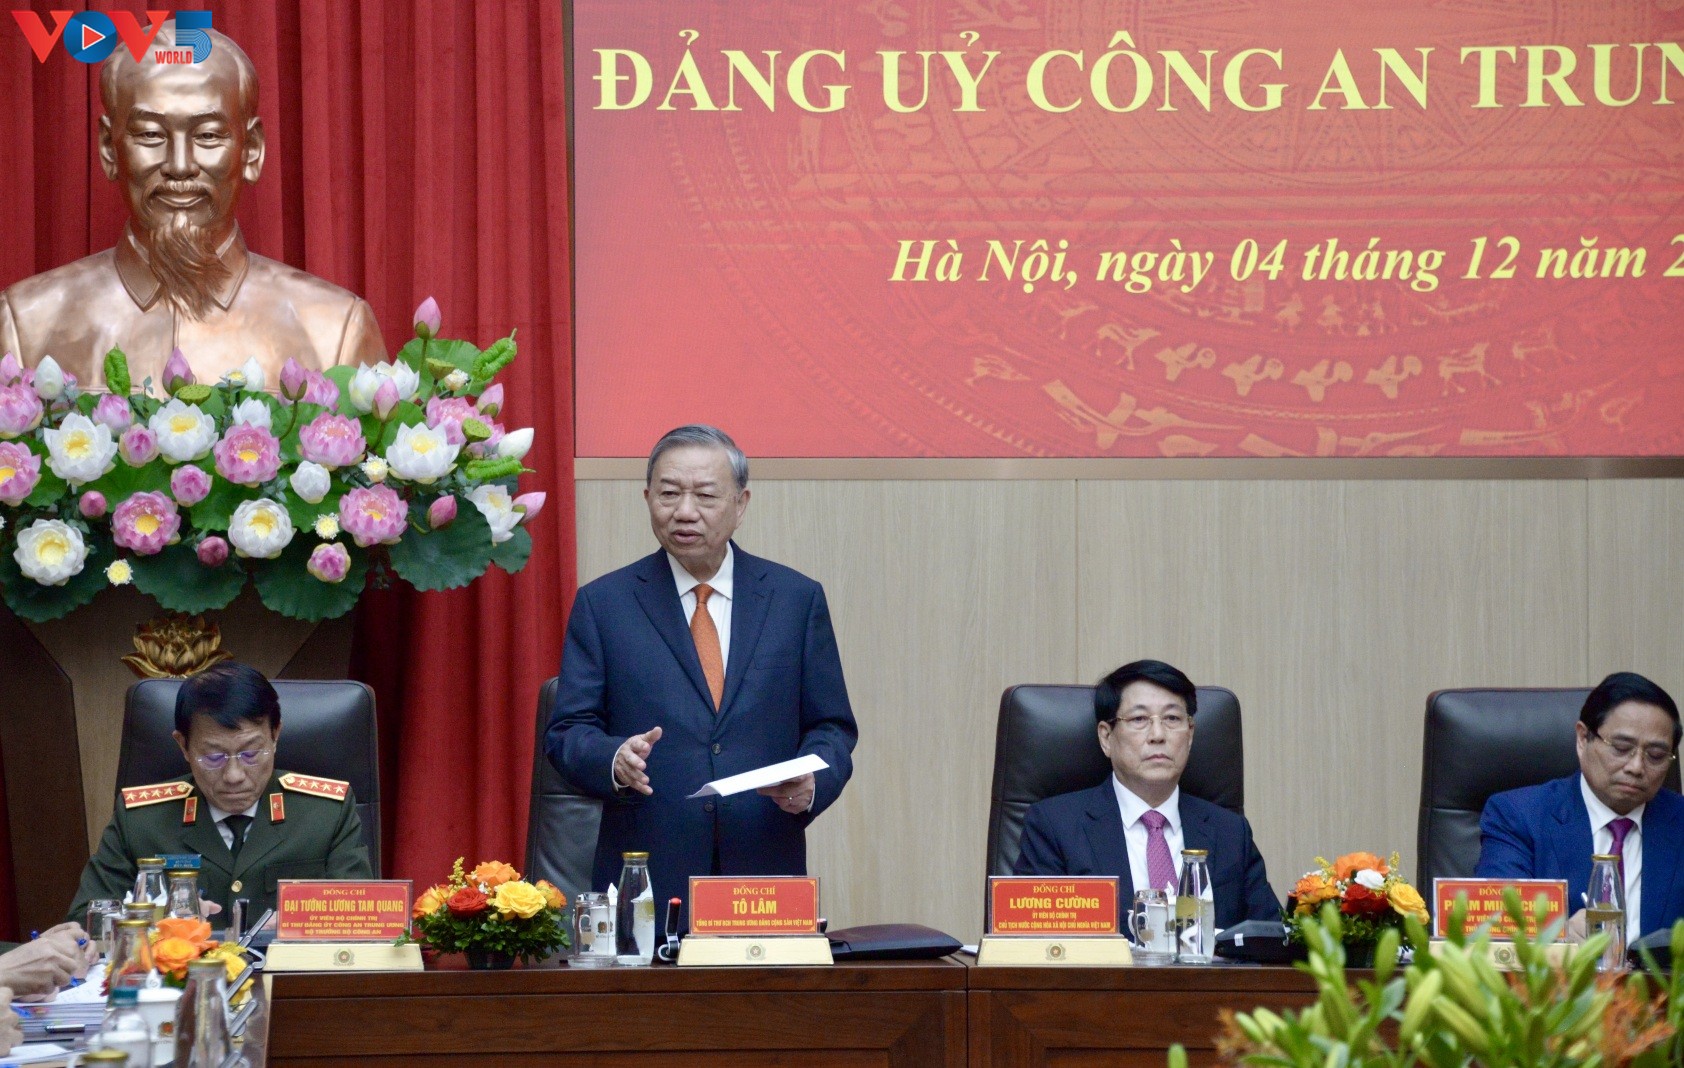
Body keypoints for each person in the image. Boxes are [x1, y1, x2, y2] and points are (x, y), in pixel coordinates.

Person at [546, 425, 858, 920]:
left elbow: (832, 727)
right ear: (648, 498)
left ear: (741, 503)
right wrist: (614, 758)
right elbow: (567, 732)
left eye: (706, 495)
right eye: (669, 494)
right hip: (647, 876)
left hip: (762, 872)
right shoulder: (604, 604)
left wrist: (813, 782)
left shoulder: (795, 600)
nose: (685, 511)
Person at [0, 20, 383, 388]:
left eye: (208, 135)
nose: (180, 166)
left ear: (251, 149)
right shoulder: (26, 327)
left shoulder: (335, 331)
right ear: (108, 148)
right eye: (150, 134)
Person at [67, 662, 372, 923]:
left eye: (251, 753)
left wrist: (299, 921)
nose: (234, 776)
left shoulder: (327, 813)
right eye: (213, 757)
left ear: (275, 736)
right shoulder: (140, 819)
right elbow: (86, 919)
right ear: (183, 746)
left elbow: (359, 916)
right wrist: (161, 920)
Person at [1014, 660, 1280, 929]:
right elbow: (1035, 940)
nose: (1158, 735)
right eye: (1139, 719)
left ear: (1190, 735)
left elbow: (1270, 939)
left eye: (1172, 719)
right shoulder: (1055, 827)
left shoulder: (1231, 833)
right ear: (1106, 737)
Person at [1477, 671, 1684, 941]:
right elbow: (1497, 927)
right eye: (1621, 748)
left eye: (1655, 755)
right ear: (1583, 739)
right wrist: (1558, 936)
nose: (1636, 767)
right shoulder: (1517, 816)